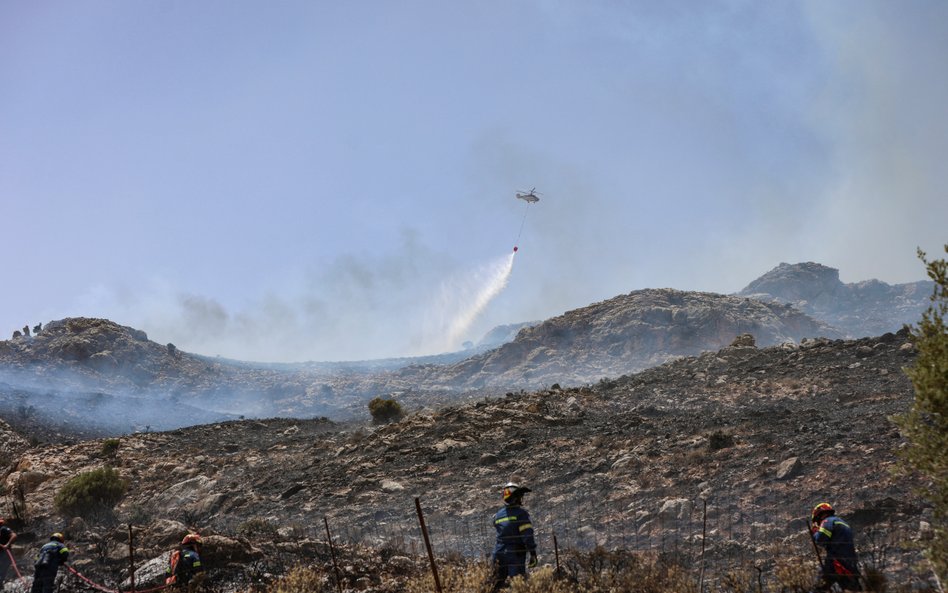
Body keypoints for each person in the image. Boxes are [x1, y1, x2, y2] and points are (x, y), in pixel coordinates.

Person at [492, 482, 537, 591]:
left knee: (496, 585)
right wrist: (533, 553)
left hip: (498, 553)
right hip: (515, 554)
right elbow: (527, 535)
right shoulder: (521, 514)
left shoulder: (497, 515)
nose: (521, 499)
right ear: (516, 498)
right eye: (520, 496)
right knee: (517, 586)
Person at [810, 502, 862, 592]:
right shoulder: (843, 523)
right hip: (850, 564)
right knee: (853, 589)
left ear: (819, 515)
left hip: (835, 562)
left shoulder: (827, 521)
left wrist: (815, 533)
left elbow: (821, 539)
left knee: (819, 586)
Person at [0, 518, 17, 586]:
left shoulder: (3, 529)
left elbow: (14, 536)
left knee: (2, 571)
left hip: (5, 554)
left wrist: (7, 545)